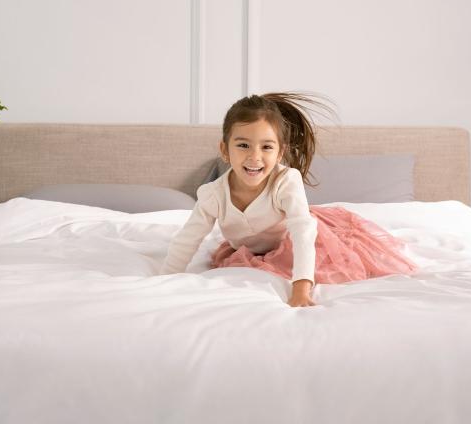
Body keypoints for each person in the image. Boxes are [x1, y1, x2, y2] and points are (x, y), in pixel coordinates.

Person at [159, 92, 417, 307]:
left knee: (340, 263)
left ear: (280, 152)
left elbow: (302, 232)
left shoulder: (285, 181)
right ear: (225, 150)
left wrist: (301, 288)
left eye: (266, 147)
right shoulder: (212, 194)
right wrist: (164, 279)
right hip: (250, 249)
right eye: (243, 145)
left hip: (296, 240)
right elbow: (188, 237)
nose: (254, 157)